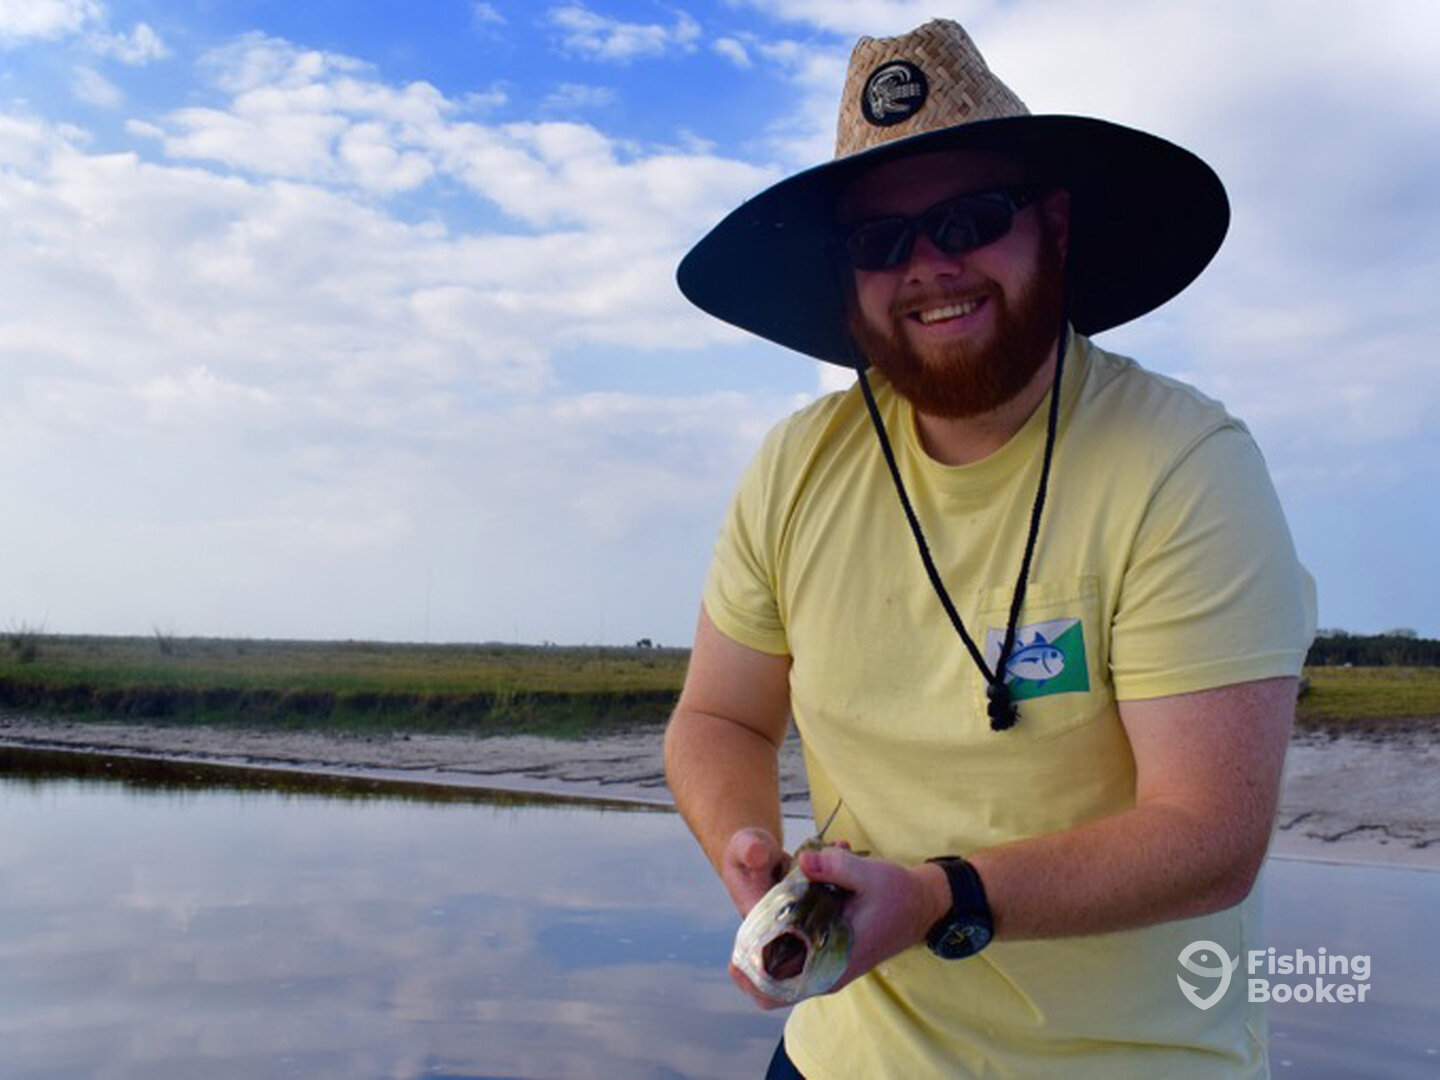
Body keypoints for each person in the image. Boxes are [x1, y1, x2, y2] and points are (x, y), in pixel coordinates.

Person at [666, 17, 1314, 1080]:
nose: (930, 266)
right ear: (847, 275)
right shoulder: (795, 467)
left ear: (1052, 226)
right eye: (881, 241)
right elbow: (719, 717)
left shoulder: (1182, 464)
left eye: (968, 219)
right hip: (837, 1056)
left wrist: (938, 899)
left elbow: (1211, 834)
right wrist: (748, 852)